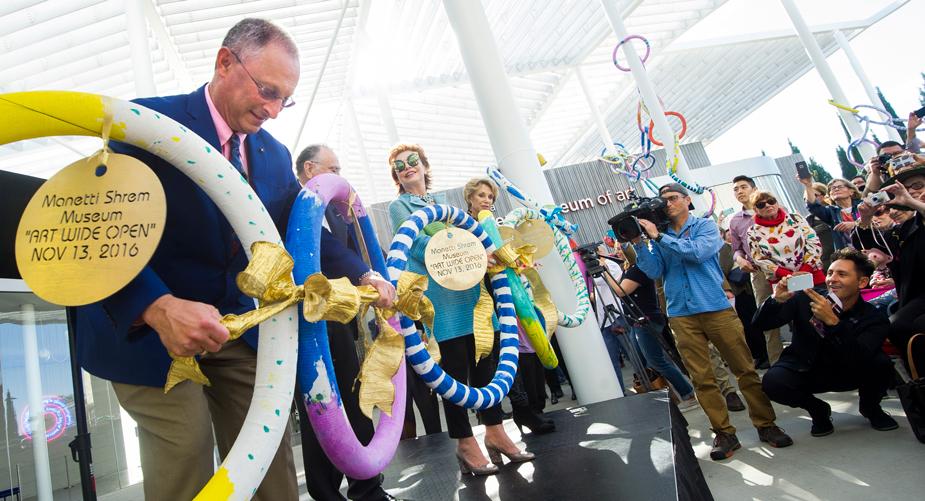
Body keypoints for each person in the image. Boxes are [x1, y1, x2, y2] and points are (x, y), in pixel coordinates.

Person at [73, 19, 381, 500]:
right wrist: (159, 308)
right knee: (185, 450)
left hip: (234, 329)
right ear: (223, 63)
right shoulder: (145, 126)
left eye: (285, 98)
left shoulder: (274, 155)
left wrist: (366, 273)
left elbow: (302, 232)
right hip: (148, 328)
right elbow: (95, 236)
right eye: (267, 90)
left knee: (267, 454)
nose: (274, 110)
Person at [387, 144, 532, 475]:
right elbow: (422, 246)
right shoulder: (400, 207)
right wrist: (468, 251)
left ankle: (496, 434)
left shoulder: (444, 207)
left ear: (425, 166)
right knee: (453, 376)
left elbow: (472, 240)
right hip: (440, 303)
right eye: (399, 166)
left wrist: (483, 254)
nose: (406, 168)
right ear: (396, 176)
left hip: (472, 298)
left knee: (485, 368)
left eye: (412, 162)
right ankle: (466, 444)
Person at [632, 182, 793, 461]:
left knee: (744, 369)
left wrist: (658, 238)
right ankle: (724, 432)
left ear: (686, 200)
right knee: (702, 378)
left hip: (715, 308)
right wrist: (638, 244)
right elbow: (654, 270)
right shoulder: (659, 236)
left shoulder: (705, 227)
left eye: (672, 198)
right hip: (681, 314)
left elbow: (697, 253)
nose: (667, 204)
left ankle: (766, 424)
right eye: (664, 200)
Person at [294, 144, 402, 501]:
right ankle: (327, 495)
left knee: (352, 395)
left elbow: (362, 250)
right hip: (303, 318)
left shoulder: (340, 212)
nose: (340, 175)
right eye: (333, 168)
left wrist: (382, 276)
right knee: (319, 409)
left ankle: (368, 488)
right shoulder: (294, 203)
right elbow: (329, 251)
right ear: (311, 169)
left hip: (339, 317)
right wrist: (366, 274)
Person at [756, 248, 898, 435]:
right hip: (807, 368)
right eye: (830, 273)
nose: (832, 279)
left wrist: (833, 323)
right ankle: (818, 410)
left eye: (842, 274)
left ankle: (871, 408)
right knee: (773, 382)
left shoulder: (873, 317)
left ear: (862, 282)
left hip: (848, 370)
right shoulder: (804, 298)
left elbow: (860, 355)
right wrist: (775, 300)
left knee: (882, 364)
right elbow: (760, 324)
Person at [462, 177, 554, 435]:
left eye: (490, 197)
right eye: (481, 195)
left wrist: (521, 264)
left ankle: (525, 410)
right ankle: (498, 417)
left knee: (510, 350)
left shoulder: (494, 226)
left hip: (505, 295)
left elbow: (505, 257)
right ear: (470, 197)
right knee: (490, 358)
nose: (486, 200)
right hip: (479, 298)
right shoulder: (463, 226)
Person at [601, 244, 699, 412]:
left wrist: (604, 271)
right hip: (637, 321)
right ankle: (668, 396)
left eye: (620, 249)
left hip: (646, 320)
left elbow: (621, 291)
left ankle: (688, 393)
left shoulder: (638, 269)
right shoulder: (630, 269)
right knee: (642, 360)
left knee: (656, 360)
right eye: (617, 249)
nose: (617, 252)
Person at [852, 165, 925, 372]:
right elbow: (868, 247)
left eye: (918, 186)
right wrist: (865, 218)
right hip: (918, 297)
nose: (912, 191)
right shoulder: (904, 230)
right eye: (907, 188)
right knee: (896, 326)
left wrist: (911, 202)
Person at [727, 175, 780, 365]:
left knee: (799, 311)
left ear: (754, 188)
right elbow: (736, 249)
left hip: (786, 269)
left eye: (743, 187)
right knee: (767, 317)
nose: (740, 191)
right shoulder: (735, 221)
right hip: (758, 273)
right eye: (736, 189)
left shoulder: (775, 209)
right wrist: (740, 259)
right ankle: (777, 364)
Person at [746, 190, 824, 287]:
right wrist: (788, 275)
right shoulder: (753, 232)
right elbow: (758, 258)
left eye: (771, 201)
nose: (767, 205)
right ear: (755, 209)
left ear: (777, 203)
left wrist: (805, 269)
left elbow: (814, 243)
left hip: (812, 274)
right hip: (782, 282)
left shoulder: (795, 219)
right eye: (761, 205)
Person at [801, 177, 862, 250]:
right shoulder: (830, 212)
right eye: (833, 188)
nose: (836, 189)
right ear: (830, 195)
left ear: (851, 191)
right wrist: (808, 185)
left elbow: (877, 221)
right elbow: (813, 206)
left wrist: (855, 224)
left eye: (840, 187)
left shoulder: (864, 205)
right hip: (850, 254)